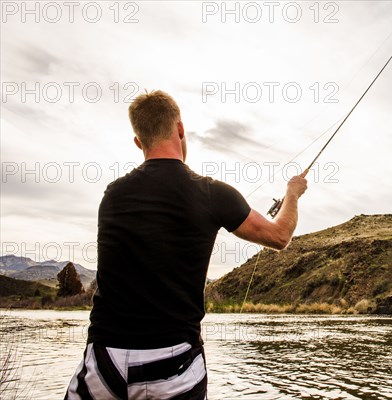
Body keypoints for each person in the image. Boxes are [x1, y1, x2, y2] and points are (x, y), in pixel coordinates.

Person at [65, 90, 307, 399]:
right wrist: (292, 193)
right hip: (173, 364)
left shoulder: (112, 195)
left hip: (102, 361)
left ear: (139, 142)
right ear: (180, 130)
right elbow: (279, 236)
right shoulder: (213, 193)